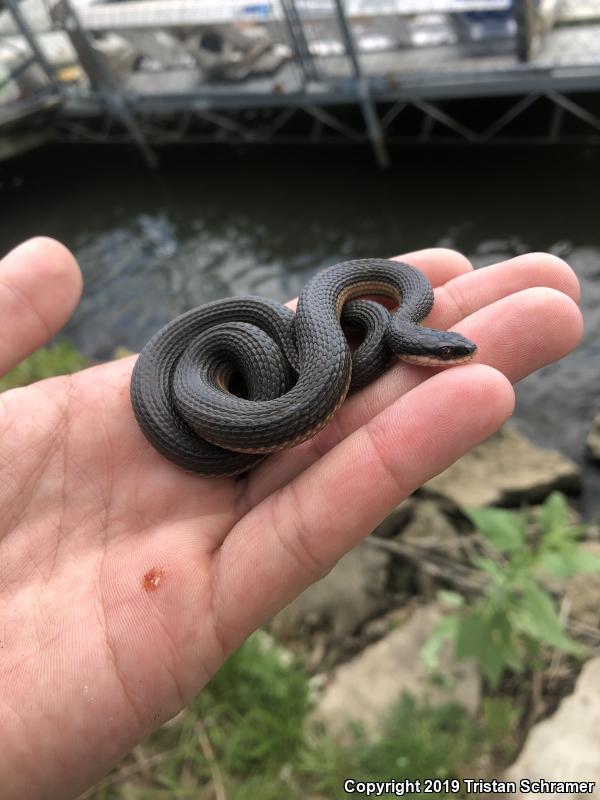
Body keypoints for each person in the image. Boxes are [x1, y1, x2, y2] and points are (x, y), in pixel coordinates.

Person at [0, 237, 583, 799]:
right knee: (267, 361)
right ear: (416, 351)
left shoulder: (395, 308)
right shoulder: (329, 346)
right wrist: (290, 392)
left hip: (303, 351)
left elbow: (372, 324)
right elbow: (322, 365)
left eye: (452, 350)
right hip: (234, 378)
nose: (458, 355)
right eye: (450, 351)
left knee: (298, 350)